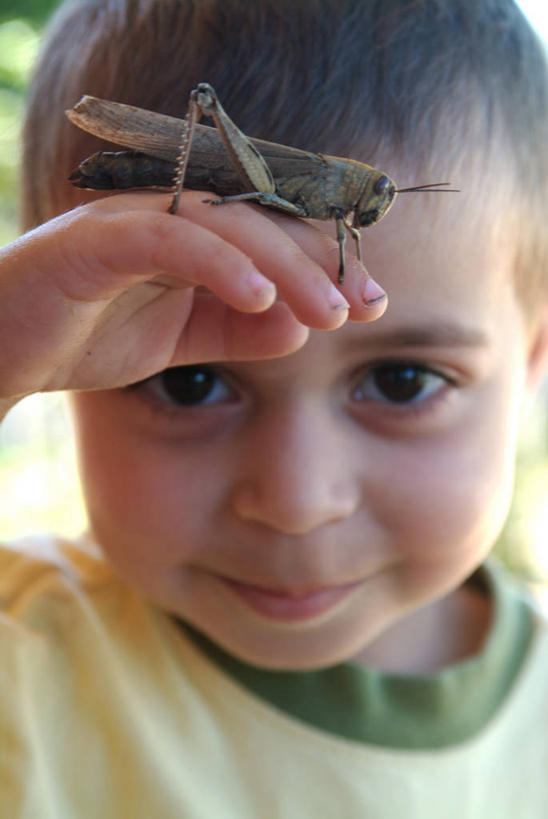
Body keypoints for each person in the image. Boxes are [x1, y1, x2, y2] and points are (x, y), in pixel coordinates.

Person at [1, 0, 548, 815]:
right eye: (188, 383)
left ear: (535, 359)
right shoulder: (28, 655)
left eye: (403, 379)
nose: (297, 502)